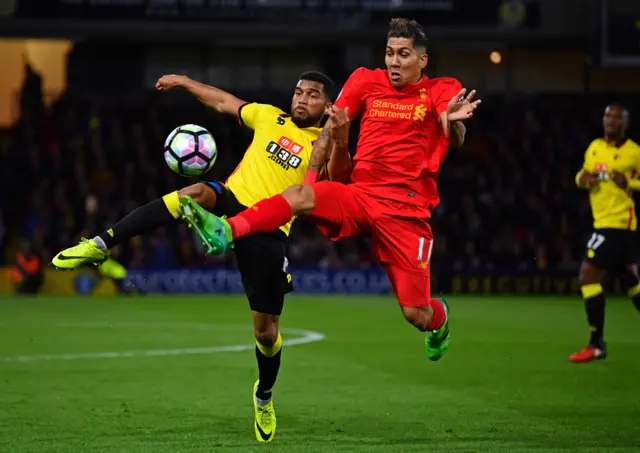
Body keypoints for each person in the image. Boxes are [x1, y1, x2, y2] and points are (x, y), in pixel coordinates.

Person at [51, 71, 335, 442]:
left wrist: (336, 133)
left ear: (327, 105)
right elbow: (221, 101)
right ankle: (101, 244)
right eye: (298, 92)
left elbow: (331, 183)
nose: (302, 99)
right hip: (233, 198)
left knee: (266, 333)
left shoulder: (324, 146)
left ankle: (263, 396)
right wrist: (185, 82)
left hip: (270, 229)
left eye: (312, 95)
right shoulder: (268, 116)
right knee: (196, 193)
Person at [178, 18, 480, 361]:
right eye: (390, 53)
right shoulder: (365, 81)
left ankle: (438, 319)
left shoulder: (442, 89)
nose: (394, 62)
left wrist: (454, 125)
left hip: (405, 212)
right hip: (360, 194)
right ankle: (225, 230)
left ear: (422, 60)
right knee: (298, 195)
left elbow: (452, 131)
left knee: (416, 315)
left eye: (404, 55)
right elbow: (328, 132)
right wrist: (309, 186)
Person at [570, 104, 640, 363]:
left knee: (588, 274)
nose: (611, 121)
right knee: (631, 282)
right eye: (607, 116)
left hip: (619, 224)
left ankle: (596, 342)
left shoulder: (634, 152)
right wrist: (582, 179)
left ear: (625, 124)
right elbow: (581, 175)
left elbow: (634, 183)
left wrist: (629, 183)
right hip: (602, 221)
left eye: (617, 118)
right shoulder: (594, 147)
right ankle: (596, 342)